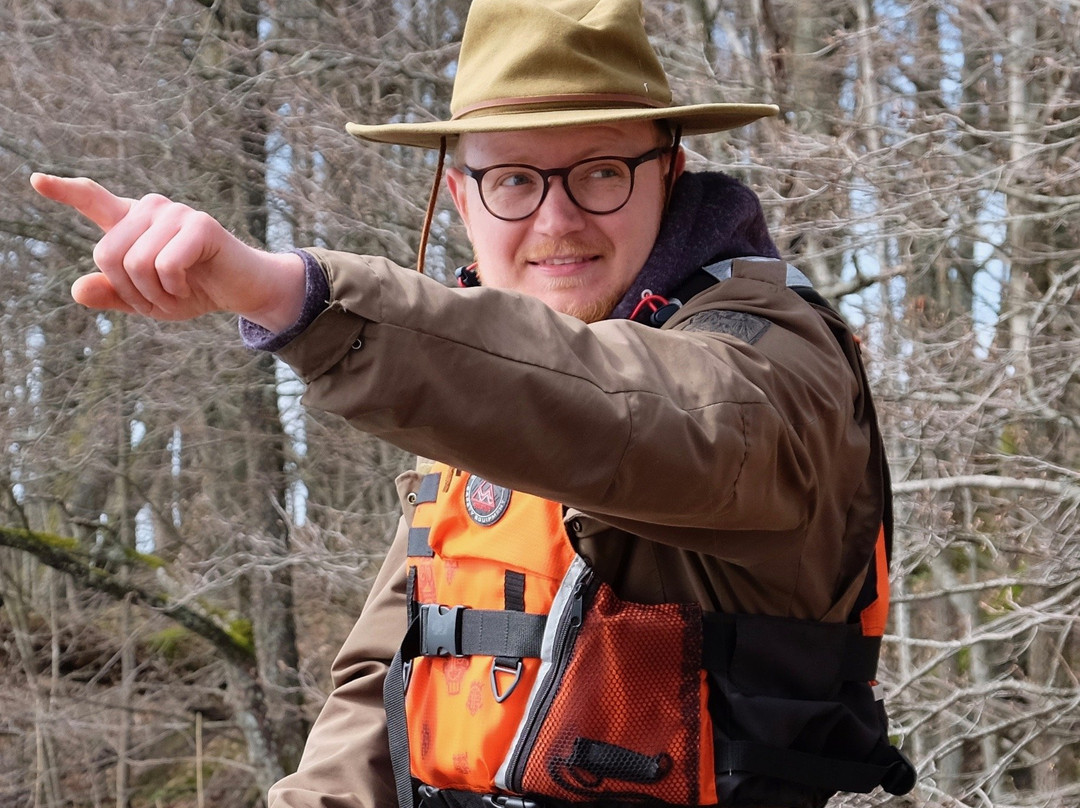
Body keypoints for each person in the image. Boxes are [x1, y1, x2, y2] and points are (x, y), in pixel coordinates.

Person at [32, 1, 917, 806]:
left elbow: (640, 412)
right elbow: (383, 687)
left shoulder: (778, 359)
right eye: (515, 181)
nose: (558, 220)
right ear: (461, 195)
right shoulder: (470, 390)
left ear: (669, 171)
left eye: (602, 172)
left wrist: (294, 298)